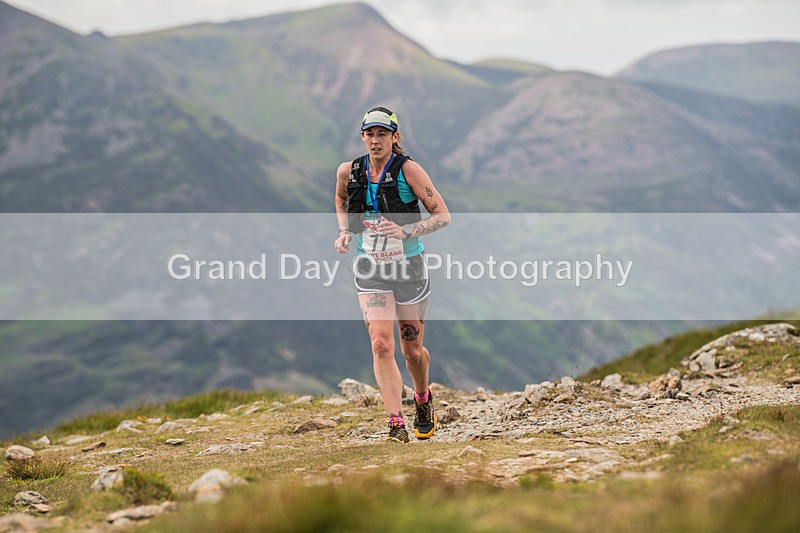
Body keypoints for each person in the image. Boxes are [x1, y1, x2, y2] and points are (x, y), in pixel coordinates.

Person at [334, 106, 451, 443]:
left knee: (412, 351)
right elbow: (341, 200)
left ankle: (423, 398)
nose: (375, 140)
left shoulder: (409, 171)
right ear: (363, 137)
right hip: (370, 268)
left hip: (409, 269)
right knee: (381, 344)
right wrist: (345, 232)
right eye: (369, 134)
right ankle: (395, 424)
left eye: (382, 134)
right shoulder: (349, 171)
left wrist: (408, 230)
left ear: (394, 137)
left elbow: (443, 216)